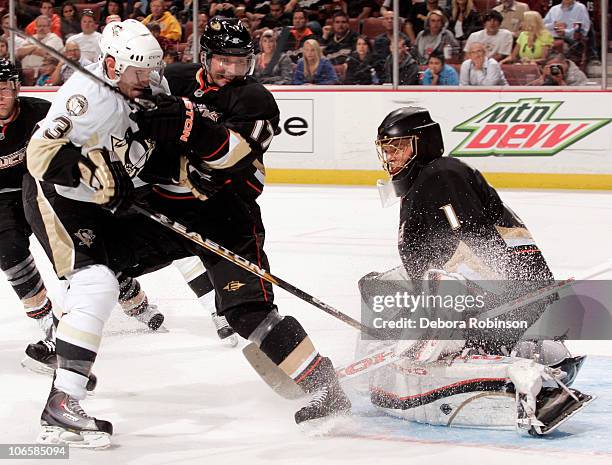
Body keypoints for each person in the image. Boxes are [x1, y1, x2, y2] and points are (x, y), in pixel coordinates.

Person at [129, 14, 351, 429]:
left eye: (240, 61)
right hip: (163, 208)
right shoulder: (171, 79)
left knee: (247, 313)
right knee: (100, 263)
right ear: (205, 57)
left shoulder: (255, 100)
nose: (232, 71)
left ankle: (325, 387)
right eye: (222, 62)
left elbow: (231, 157)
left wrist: (186, 121)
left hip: (227, 216)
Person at [360, 106, 593, 435]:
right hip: (503, 300)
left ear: (423, 144)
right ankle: (415, 348)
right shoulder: (422, 186)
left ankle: (483, 354)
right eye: (387, 149)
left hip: (513, 300)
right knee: (375, 286)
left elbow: (471, 249)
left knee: (438, 287)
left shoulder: (440, 174)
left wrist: (444, 324)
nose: (391, 156)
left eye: (399, 146)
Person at [24, 20, 168, 448]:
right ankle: (63, 400)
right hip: (56, 195)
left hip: (92, 200)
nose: (146, 79)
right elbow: (40, 156)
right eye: (138, 72)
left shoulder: (139, 84)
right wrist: (89, 171)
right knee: (95, 281)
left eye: (150, 70)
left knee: (113, 273)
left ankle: (62, 385)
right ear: (110, 65)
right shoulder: (85, 97)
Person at [0, 59, 56, 371]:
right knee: (8, 251)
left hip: (38, 189)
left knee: (74, 243)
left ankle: (128, 294)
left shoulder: (41, 112)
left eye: (5, 89)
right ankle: (48, 322)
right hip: (1, 200)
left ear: (16, 89)